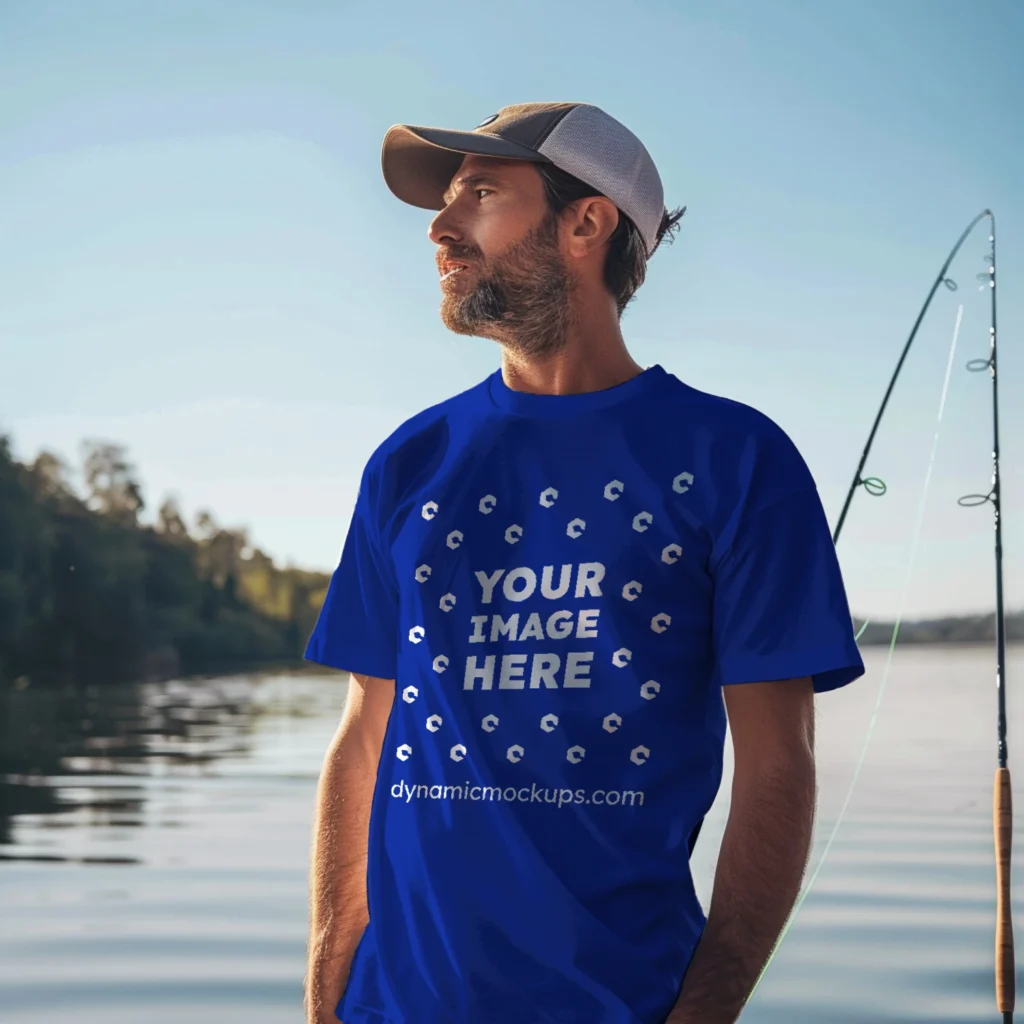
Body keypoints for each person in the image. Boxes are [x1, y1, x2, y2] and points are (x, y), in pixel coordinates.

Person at [303, 101, 865, 1024]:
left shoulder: (735, 459)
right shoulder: (408, 463)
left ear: (586, 222)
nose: (441, 227)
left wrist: (705, 1011)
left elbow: (779, 765)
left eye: (480, 193)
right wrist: (328, 992)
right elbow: (366, 738)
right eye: (446, 202)